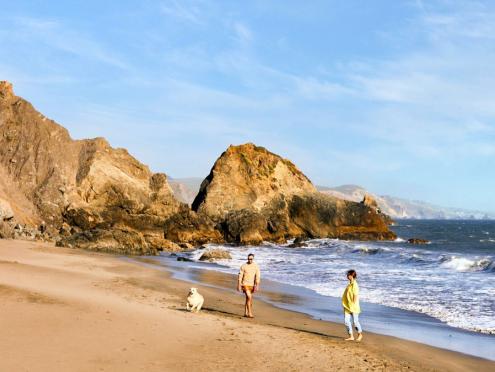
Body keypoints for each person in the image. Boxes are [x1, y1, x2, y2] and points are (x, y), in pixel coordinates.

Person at [237, 253, 261, 318]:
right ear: (247, 258)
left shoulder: (256, 266)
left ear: (253, 259)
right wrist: (239, 285)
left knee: (248, 299)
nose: (250, 260)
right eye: (249, 259)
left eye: (251, 259)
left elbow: (258, 276)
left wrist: (257, 285)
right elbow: (240, 276)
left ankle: (245, 313)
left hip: (252, 285)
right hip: (245, 284)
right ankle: (250, 313)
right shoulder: (243, 266)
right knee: (249, 297)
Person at [342, 269, 363, 341]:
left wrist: (353, 304)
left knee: (355, 322)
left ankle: (360, 334)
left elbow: (355, 295)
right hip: (347, 306)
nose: (347, 276)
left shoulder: (355, 284)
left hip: (354, 306)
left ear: (351, 276)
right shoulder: (349, 284)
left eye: (348, 275)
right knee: (346, 321)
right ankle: (351, 336)